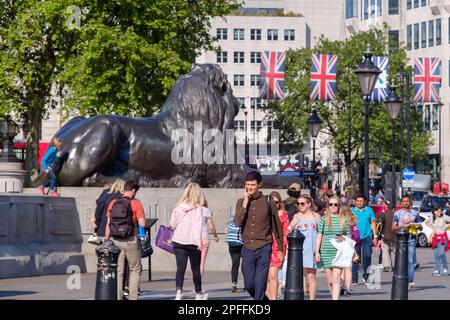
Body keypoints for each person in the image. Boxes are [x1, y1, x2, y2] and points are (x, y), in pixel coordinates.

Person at [234, 171, 284, 300]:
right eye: (247, 184)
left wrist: (280, 249)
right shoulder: (240, 202)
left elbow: (277, 227)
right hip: (247, 248)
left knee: (260, 283)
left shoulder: (269, 202)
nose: (250, 187)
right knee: (249, 284)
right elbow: (237, 222)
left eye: (252, 184)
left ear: (259, 184)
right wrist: (245, 202)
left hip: (264, 247)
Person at [105, 180, 145, 300]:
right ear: (133, 191)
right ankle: (133, 297)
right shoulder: (136, 203)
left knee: (118, 270)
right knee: (135, 269)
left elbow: (108, 224)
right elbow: (142, 224)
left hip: (115, 240)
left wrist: (107, 240)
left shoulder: (113, 202)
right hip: (130, 239)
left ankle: (118, 296)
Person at [170, 182, 208, 300]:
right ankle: (198, 293)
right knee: (195, 269)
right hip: (193, 242)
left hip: (179, 241)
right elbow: (199, 227)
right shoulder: (200, 209)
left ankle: (178, 293)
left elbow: (172, 225)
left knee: (180, 268)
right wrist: (199, 243)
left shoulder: (178, 207)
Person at [315, 196, 350, 300]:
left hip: (339, 252)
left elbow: (349, 236)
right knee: (330, 281)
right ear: (328, 206)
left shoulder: (344, 219)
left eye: (335, 204)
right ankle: (334, 296)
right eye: (331, 204)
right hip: (326, 251)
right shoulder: (324, 219)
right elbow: (319, 235)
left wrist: (342, 237)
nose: (333, 206)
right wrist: (317, 252)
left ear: (339, 206)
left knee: (336, 280)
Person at [289, 194, 321, 300]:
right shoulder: (296, 216)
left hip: (312, 249)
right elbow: (289, 229)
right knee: (300, 276)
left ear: (309, 204)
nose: (300, 206)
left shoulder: (316, 216)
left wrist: (318, 251)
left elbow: (321, 234)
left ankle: (312, 298)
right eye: (298, 204)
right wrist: (292, 225)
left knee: (311, 276)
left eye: (302, 203)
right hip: (299, 251)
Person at [392, 194, 422, 290]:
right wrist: (404, 226)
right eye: (404, 201)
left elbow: (420, 226)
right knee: (400, 262)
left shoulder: (415, 213)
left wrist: (417, 226)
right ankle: (401, 280)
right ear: (401, 203)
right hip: (400, 241)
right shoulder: (397, 213)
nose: (406, 203)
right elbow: (393, 228)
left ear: (410, 202)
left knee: (410, 262)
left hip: (411, 240)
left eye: (407, 201)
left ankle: (410, 281)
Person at [266, 191, 289, 300]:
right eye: (272, 201)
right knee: (268, 276)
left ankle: (273, 298)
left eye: (276, 202)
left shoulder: (283, 214)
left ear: (280, 203)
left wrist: (284, 248)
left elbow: (286, 232)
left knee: (273, 275)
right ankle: (270, 297)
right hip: (266, 245)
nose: (274, 204)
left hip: (278, 247)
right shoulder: (266, 213)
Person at [89, 179, 125, 244]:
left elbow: (98, 213)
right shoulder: (125, 198)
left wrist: (96, 225)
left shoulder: (105, 195)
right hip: (122, 231)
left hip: (103, 229)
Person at [351, 194, 377, 286]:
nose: (359, 202)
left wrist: (375, 236)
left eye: (361, 201)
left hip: (367, 236)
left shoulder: (369, 210)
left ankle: (366, 276)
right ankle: (354, 279)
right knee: (355, 258)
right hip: (355, 237)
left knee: (367, 256)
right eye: (357, 201)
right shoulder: (352, 210)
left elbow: (373, 223)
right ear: (355, 202)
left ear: (365, 202)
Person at [425, 207, 450, 276]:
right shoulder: (432, 218)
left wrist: (447, 226)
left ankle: (445, 269)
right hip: (435, 238)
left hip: (443, 238)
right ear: (434, 212)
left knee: (442, 253)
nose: (440, 212)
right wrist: (431, 227)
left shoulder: (444, 217)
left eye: (440, 211)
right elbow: (426, 222)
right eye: (438, 211)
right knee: (436, 255)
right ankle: (437, 270)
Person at [340, 204, 358, 296]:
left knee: (342, 268)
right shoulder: (353, 221)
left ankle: (342, 286)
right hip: (350, 246)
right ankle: (348, 288)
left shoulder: (341, 221)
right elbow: (357, 236)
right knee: (348, 268)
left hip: (341, 245)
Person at [225, 216, 243, 293]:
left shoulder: (231, 219)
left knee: (235, 264)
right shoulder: (244, 219)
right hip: (241, 244)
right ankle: (248, 284)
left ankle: (234, 284)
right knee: (246, 264)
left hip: (232, 244)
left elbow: (226, 230)